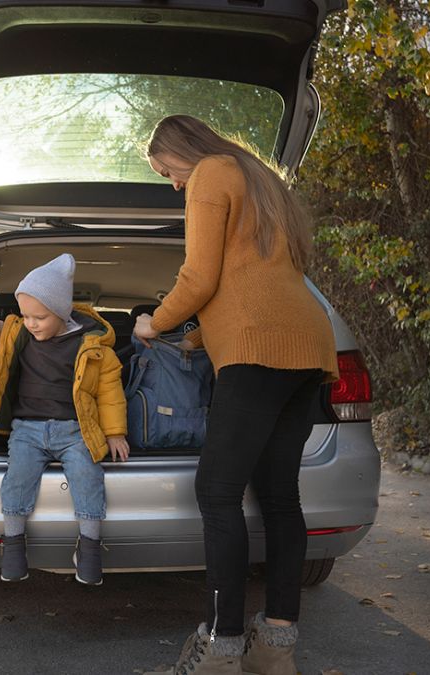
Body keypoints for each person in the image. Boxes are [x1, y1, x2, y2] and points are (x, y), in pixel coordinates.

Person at [134, 115, 339, 675]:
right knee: (278, 496)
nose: (173, 184)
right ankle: (276, 647)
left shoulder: (210, 173)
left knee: (217, 492)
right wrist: (198, 337)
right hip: (307, 348)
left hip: (258, 355)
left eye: (166, 171)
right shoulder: (261, 179)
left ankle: (221, 651)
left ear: (180, 151)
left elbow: (200, 277)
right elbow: (254, 282)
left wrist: (156, 322)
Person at [0, 254, 129, 587]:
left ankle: (88, 547)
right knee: (17, 479)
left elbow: (110, 393)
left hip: (76, 431)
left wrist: (115, 433)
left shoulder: (93, 346)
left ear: (61, 312)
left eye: (39, 317)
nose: (31, 323)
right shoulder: (21, 337)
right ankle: (13, 544)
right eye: (26, 315)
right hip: (26, 431)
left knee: (89, 477)